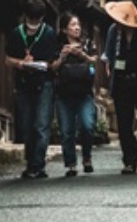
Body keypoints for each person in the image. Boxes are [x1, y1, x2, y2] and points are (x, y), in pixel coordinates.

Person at [102, 0, 137, 174]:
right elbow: (108, 55)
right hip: (122, 82)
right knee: (124, 123)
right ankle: (129, 160)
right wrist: (109, 73)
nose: (118, 23)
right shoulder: (113, 32)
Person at [5, 0, 57, 179]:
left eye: (37, 19)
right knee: (27, 125)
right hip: (23, 83)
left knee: (41, 125)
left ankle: (39, 164)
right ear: (25, 16)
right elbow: (7, 59)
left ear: (42, 17)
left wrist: (44, 64)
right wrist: (20, 63)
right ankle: (30, 164)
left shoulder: (49, 33)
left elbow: (53, 61)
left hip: (44, 82)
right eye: (31, 19)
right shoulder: (16, 33)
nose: (34, 23)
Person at [52, 12, 98, 177]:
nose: (77, 28)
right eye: (72, 25)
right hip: (64, 94)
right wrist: (63, 56)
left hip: (84, 92)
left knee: (87, 125)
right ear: (64, 29)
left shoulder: (87, 43)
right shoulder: (57, 45)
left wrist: (82, 55)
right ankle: (70, 163)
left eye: (78, 24)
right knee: (67, 130)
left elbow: (94, 61)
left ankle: (87, 158)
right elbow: (52, 68)